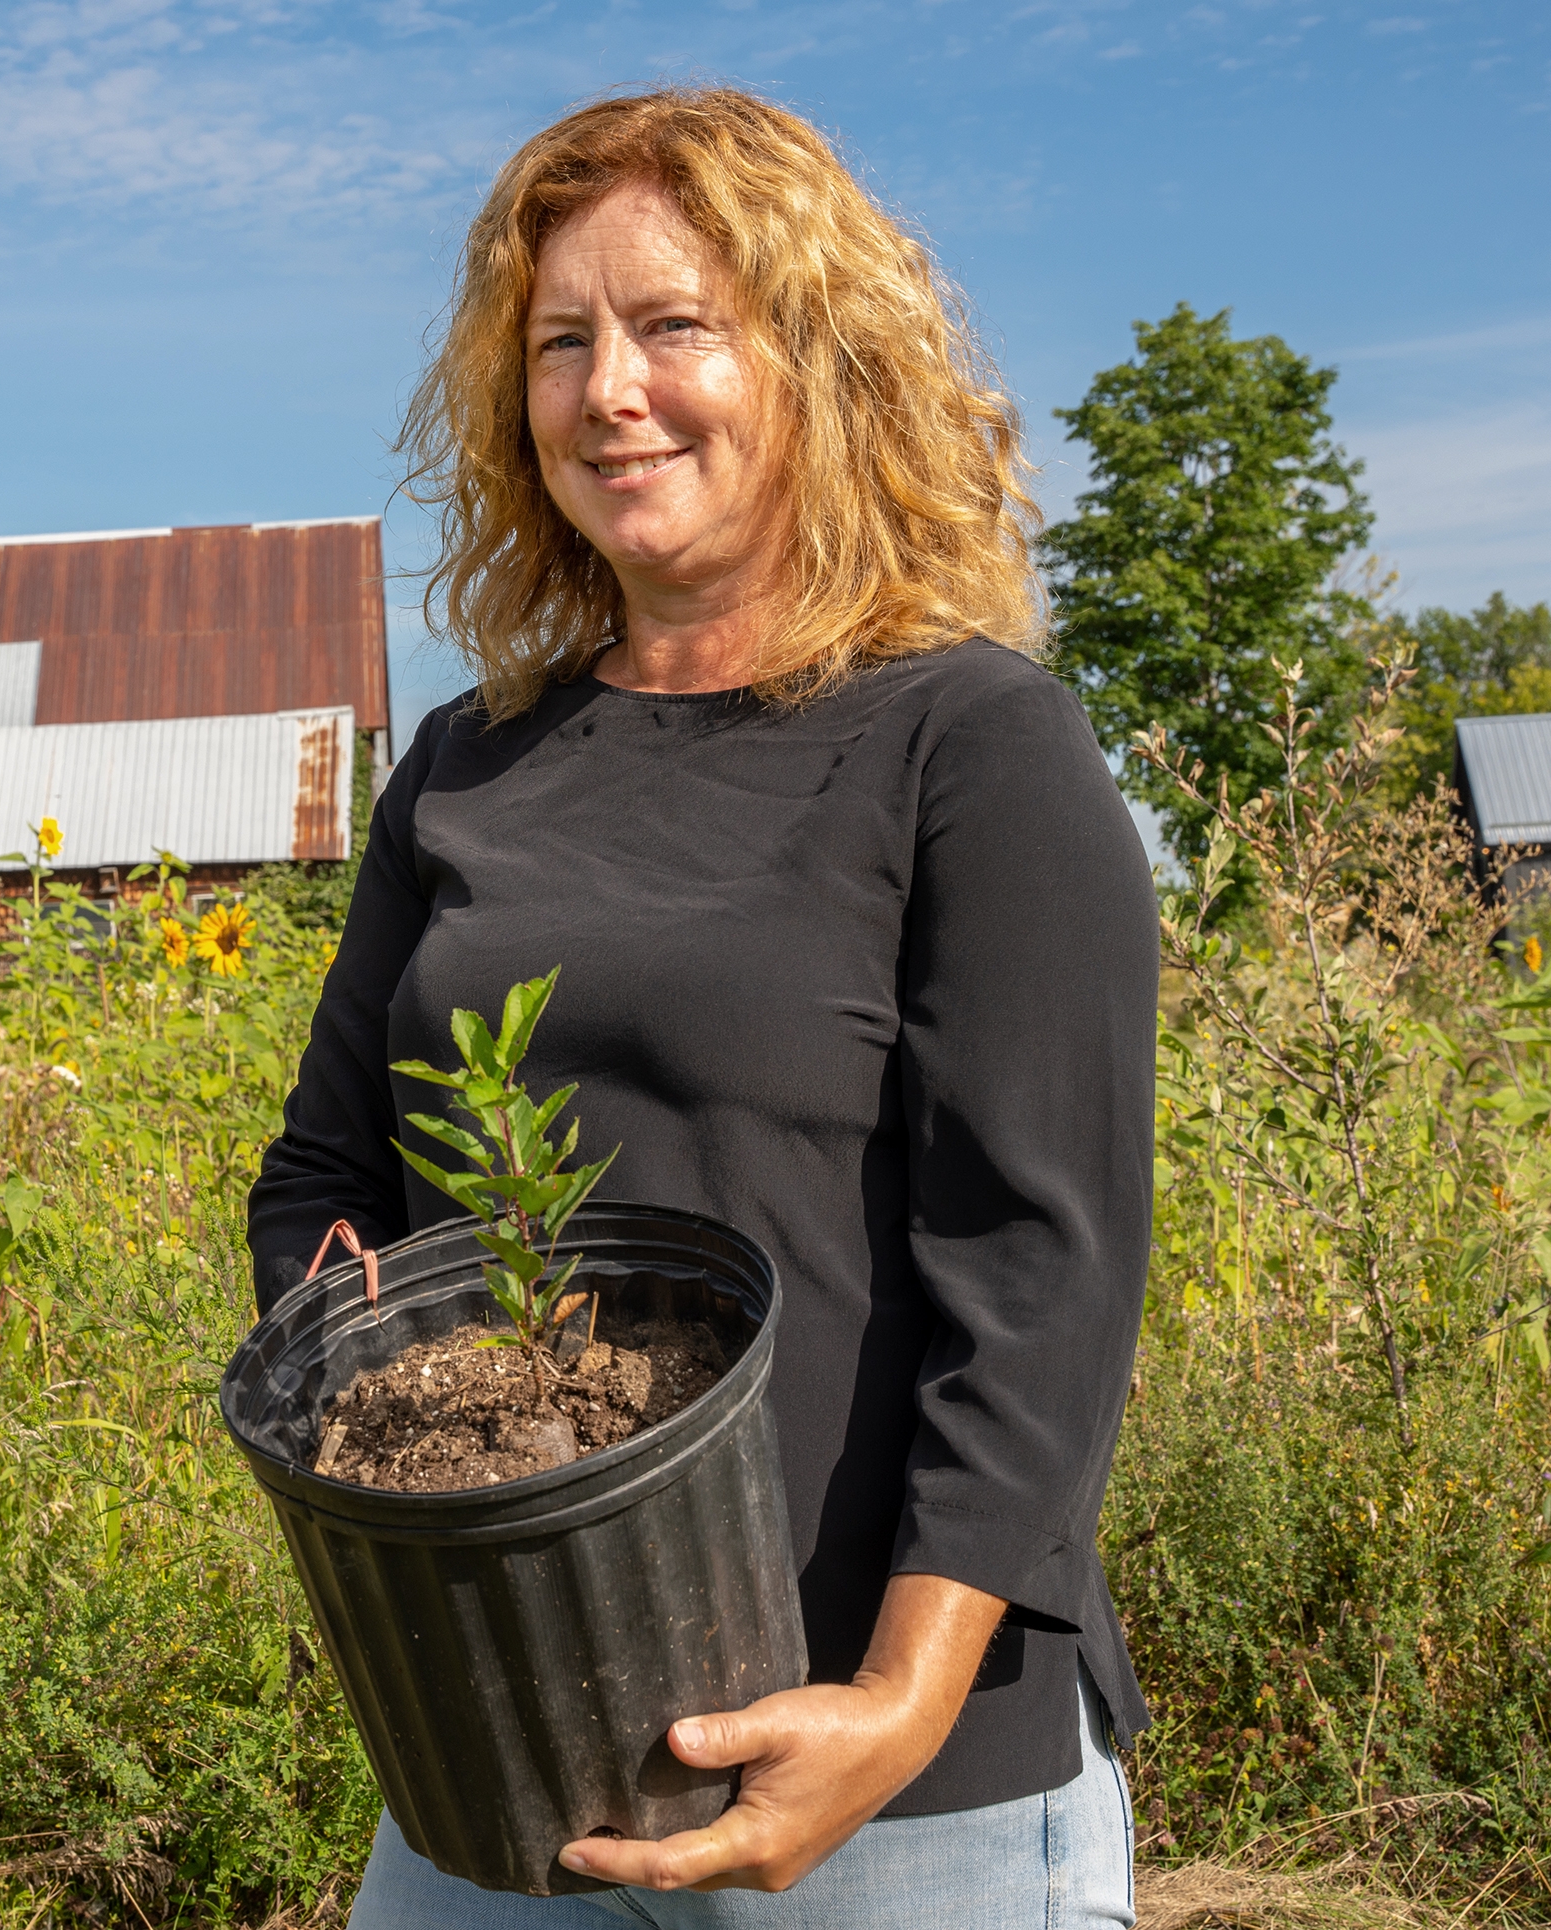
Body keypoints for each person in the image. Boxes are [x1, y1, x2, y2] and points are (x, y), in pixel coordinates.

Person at [246, 89, 1156, 1928]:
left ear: (813, 359)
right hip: (505, 1770)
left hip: (889, 1784)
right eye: (560, 340)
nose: (609, 390)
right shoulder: (466, 761)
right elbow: (324, 1174)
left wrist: (894, 1703)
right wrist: (396, 1447)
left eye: (674, 327)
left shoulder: (962, 739)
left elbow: (1037, 1273)